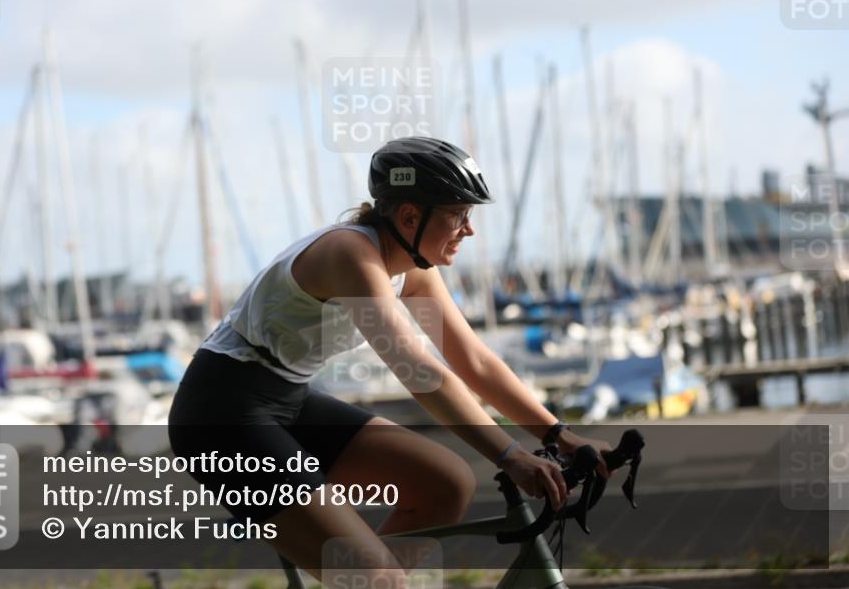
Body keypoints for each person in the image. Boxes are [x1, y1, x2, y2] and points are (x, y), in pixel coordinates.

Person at [168, 136, 611, 585]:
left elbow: (473, 361)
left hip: (290, 397)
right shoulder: (350, 255)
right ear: (409, 216)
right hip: (222, 415)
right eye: (458, 214)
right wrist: (510, 455)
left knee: (447, 483)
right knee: (381, 581)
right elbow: (418, 370)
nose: (469, 230)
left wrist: (559, 433)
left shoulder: (414, 269)